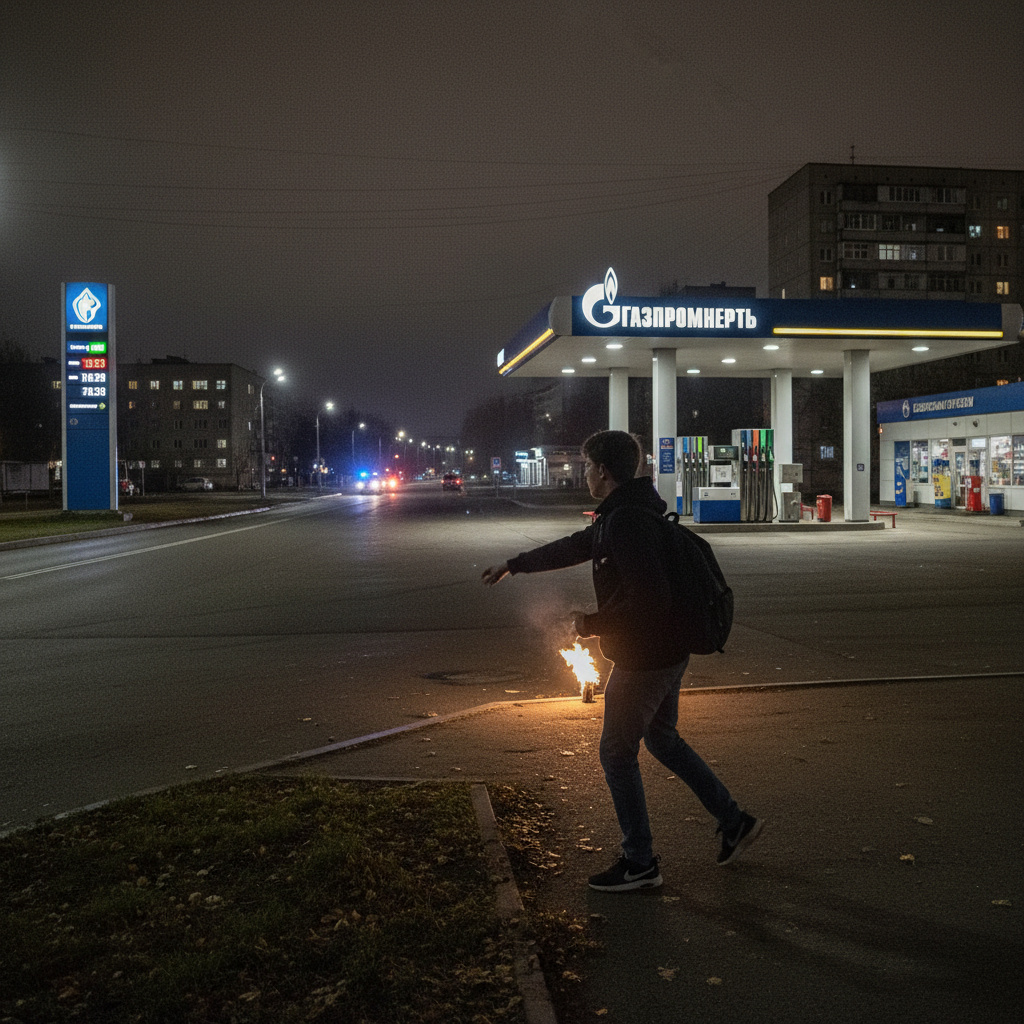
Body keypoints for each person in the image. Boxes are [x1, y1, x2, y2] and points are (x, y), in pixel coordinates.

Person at [481, 430, 762, 892]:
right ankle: (734, 821)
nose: (585, 473)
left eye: (588, 466)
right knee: (663, 740)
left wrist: (589, 623)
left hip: (645, 658)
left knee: (616, 752)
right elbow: (575, 546)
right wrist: (515, 564)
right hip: (667, 652)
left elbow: (651, 601)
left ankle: (640, 862)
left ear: (603, 471)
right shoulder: (629, 511)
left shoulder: (626, 521)